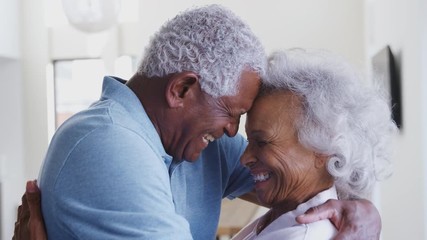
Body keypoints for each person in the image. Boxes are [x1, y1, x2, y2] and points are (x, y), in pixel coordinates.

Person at [13, 5, 383, 240]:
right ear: (183, 89)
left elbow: (308, 182)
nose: (234, 136)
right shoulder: (106, 145)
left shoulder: (200, 143)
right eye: (233, 115)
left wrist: (366, 216)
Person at [232, 49, 398, 239]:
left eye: (262, 142)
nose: (244, 158)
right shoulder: (283, 215)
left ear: (324, 148)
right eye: (249, 141)